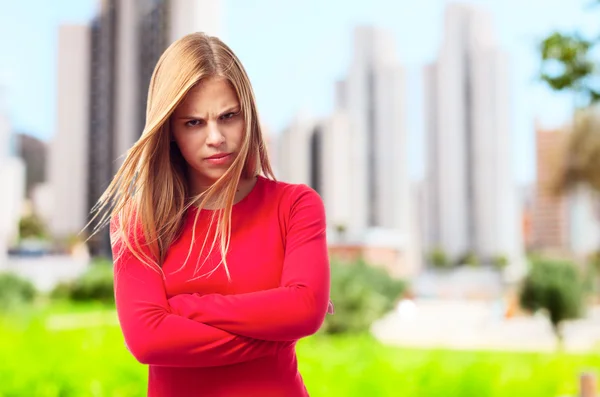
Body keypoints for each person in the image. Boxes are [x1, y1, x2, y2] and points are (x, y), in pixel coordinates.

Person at [92, 32, 332, 396]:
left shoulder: (296, 205)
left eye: (228, 116)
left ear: (247, 115)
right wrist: (277, 336)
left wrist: (185, 308)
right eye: (194, 123)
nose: (215, 137)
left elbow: (305, 310)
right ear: (170, 129)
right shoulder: (138, 221)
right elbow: (147, 342)